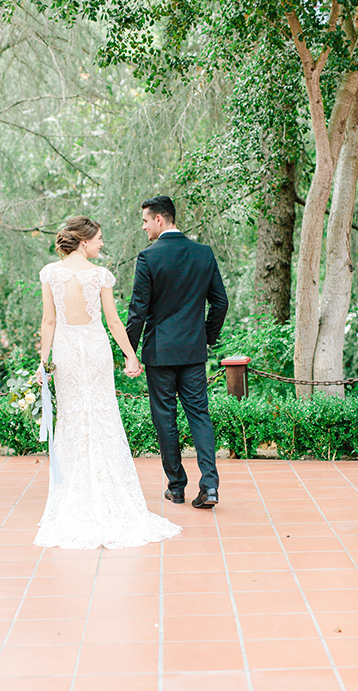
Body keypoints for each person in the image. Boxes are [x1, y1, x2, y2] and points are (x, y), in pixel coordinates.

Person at [34, 216, 181, 550]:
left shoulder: (50, 273)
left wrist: (44, 363)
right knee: (101, 416)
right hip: (96, 350)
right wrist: (131, 355)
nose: (102, 243)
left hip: (67, 353)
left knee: (72, 418)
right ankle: (109, 494)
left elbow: (49, 320)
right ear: (84, 242)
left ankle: (73, 499)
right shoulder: (100, 276)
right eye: (99, 238)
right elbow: (114, 321)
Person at [127, 196, 228, 509]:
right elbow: (220, 302)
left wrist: (129, 350)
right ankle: (209, 487)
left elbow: (138, 312)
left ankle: (176, 486)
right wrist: (206, 337)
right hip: (194, 352)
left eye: (145, 220)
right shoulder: (203, 254)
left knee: (165, 418)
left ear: (160, 219)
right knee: (199, 415)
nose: (143, 227)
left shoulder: (148, 258)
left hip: (159, 353)